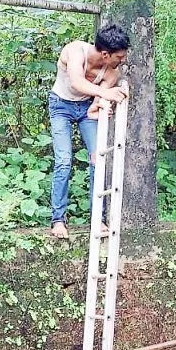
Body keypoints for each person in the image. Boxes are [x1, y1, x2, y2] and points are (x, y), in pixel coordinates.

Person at [48, 24, 130, 240]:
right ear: (105, 53)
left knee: (98, 158)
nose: (122, 60)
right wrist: (107, 93)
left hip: (85, 109)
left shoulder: (112, 72)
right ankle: (58, 219)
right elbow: (76, 82)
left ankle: (98, 217)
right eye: (119, 57)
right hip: (60, 106)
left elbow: (95, 103)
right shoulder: (76, 51)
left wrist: (100, 105)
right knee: (64, 160)